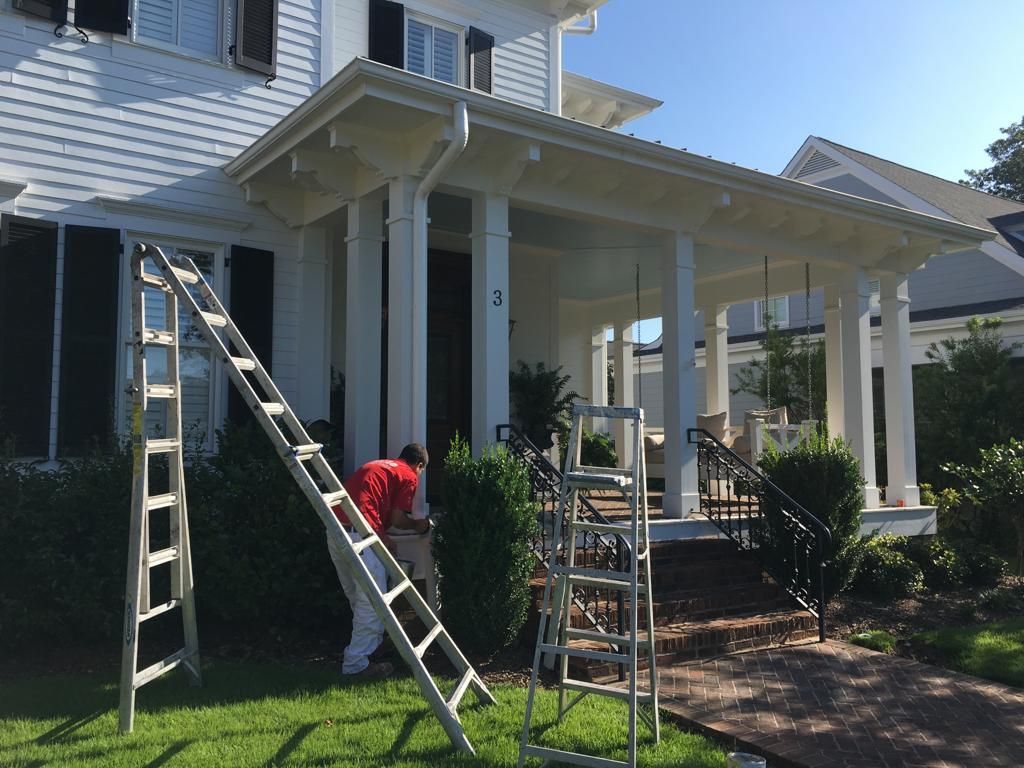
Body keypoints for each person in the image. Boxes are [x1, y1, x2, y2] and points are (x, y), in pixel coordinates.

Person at [328, 443, 430, 679]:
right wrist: (417, 524)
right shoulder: (408, 475)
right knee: (372, 602)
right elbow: (396, 518)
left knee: (357, 596)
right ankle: (356, 664)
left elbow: (368, 504)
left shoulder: (382, 465)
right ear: (419, 465)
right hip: (358, 535)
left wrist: (383, 538)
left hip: (335, 530)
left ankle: (370, 650)